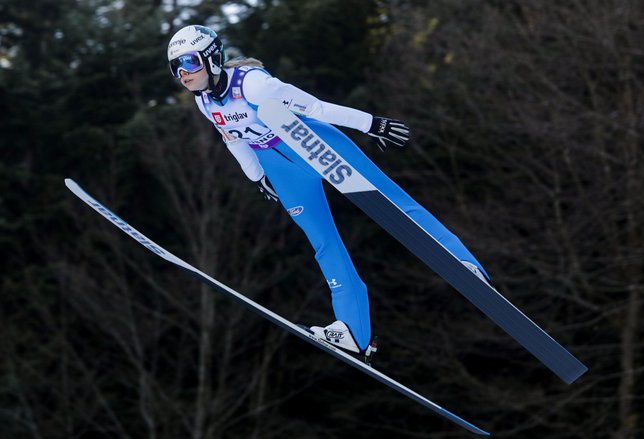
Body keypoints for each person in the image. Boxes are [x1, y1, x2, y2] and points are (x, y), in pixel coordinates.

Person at [167, 25, 490, 360]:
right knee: (322, 242)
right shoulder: (205, 103)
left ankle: (461, 261)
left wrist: (370, 123)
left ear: (212, 57)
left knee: (390, 201)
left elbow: (315, 108)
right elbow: (233, 139)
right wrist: (257, 177)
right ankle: (353, 331)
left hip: (310, 141)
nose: (182, 73)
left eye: (189, 62)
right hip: (280, 166)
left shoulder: (253, 83)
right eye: (175, 66)